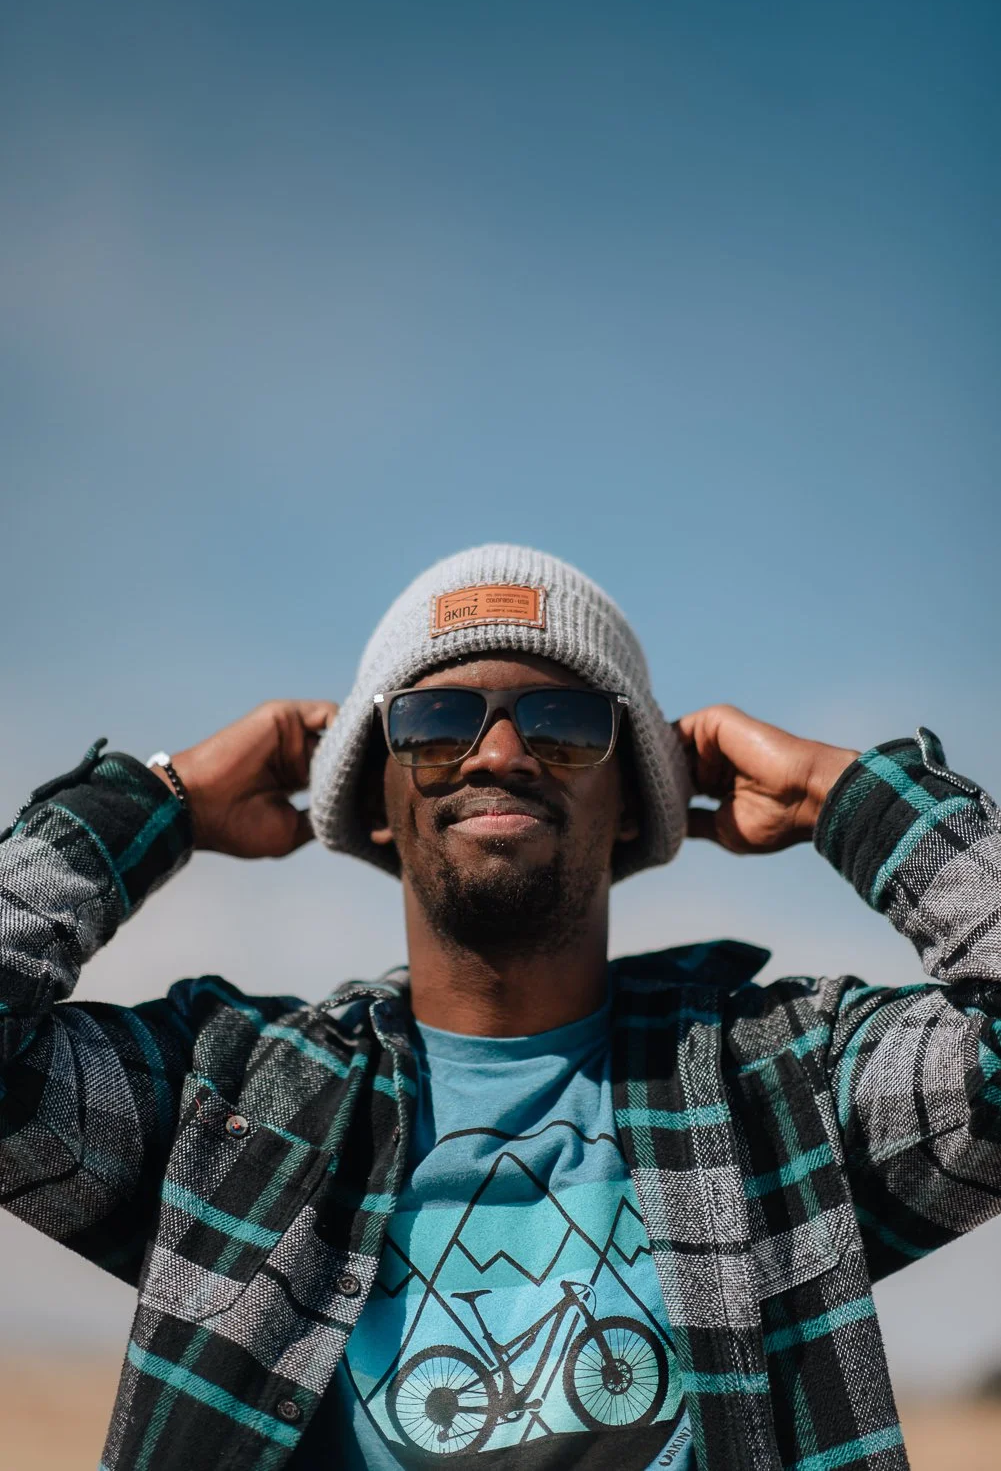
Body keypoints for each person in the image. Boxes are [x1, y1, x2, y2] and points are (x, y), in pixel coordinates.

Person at [1, 544, 998, 1471]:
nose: (499, 754)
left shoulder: (783, 1091)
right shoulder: (227, 1107)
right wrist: (150, 804)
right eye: (434, 725)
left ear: (631, 807)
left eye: (564, 725)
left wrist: (851, 798)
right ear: (375, 805)